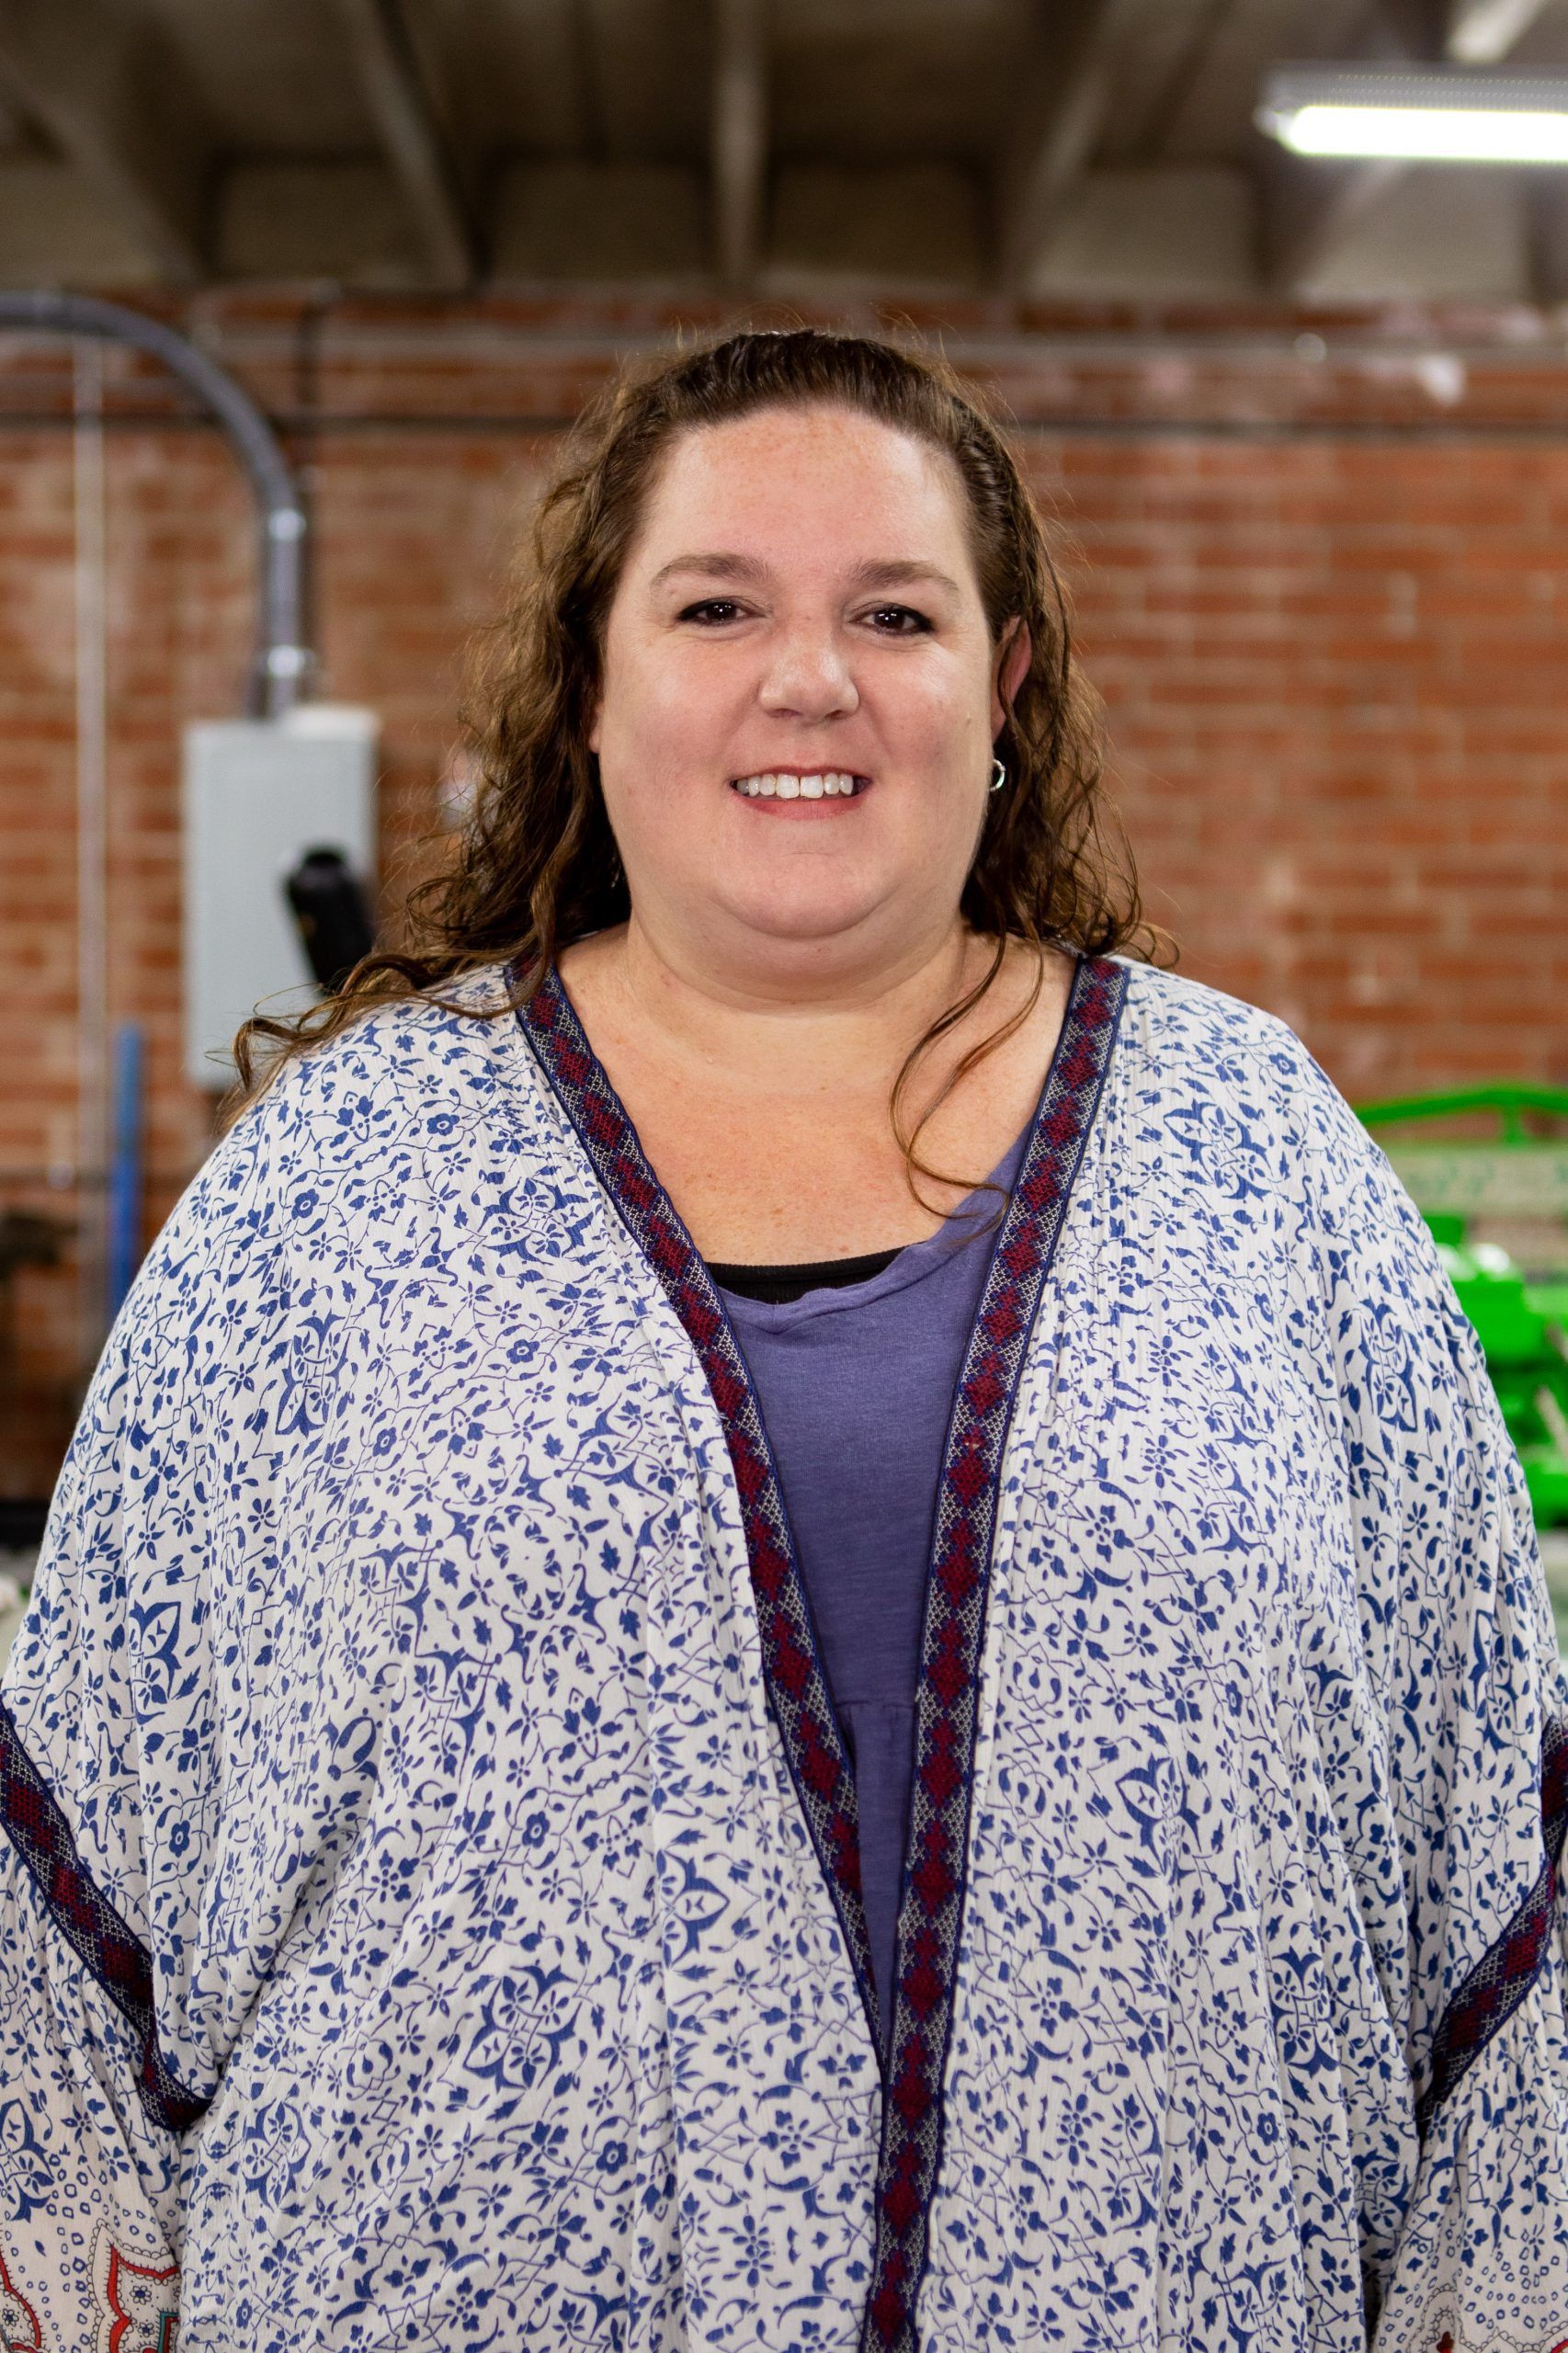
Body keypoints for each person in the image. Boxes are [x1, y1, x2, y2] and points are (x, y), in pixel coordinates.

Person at [1, 325, 1564, 2353]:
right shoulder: (335, 1189)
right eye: (717, 602)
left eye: (892, 612)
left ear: (1000, 688)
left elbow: (1498, 1883)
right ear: (594, 681)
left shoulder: (1255, 1153)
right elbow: (65, 1917)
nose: (805, 676)